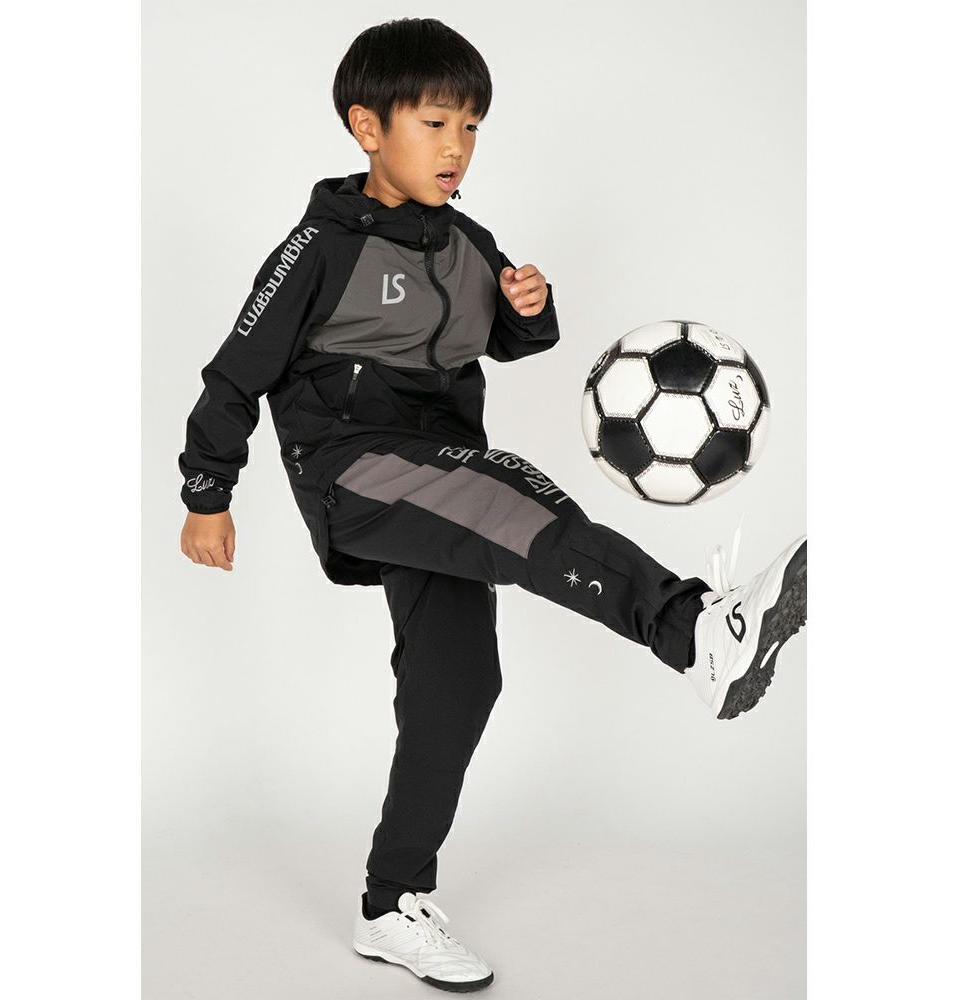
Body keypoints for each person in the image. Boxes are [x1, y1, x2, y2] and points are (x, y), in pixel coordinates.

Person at [177, 16, 807, 994]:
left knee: (459, 682)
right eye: (435, 124)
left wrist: (528, 309)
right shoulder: (318, 248)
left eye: (471, 127)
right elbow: (234, 374)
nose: (457, 147)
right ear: (368, 128)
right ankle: (694, 632)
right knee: (514, 496)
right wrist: (207, 492)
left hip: (440, 477)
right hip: (353, 465)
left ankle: (390, 904)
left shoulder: (467, 240)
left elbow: (503, 340)